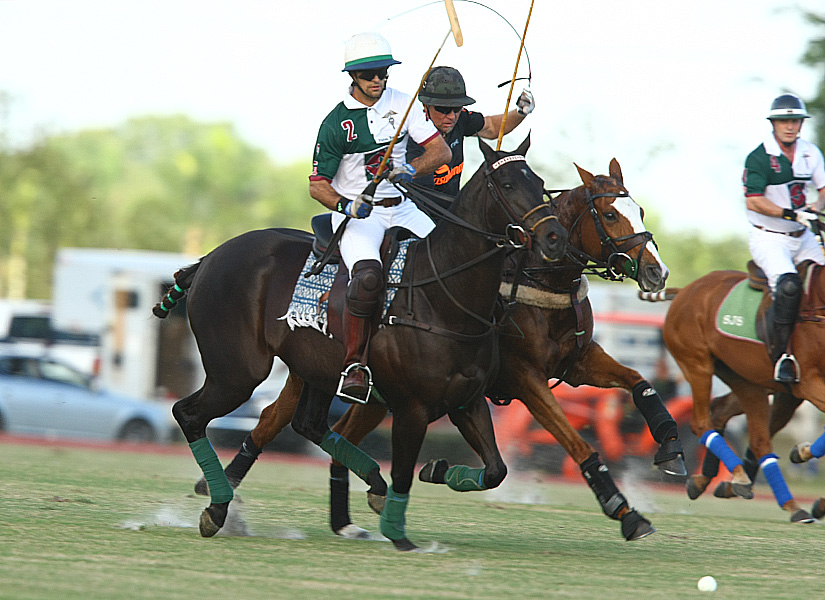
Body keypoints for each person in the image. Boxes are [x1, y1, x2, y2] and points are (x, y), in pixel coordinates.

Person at [309, 32, 451, 402]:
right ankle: (355, 365)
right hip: (361, 216)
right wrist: (345, 206)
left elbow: (441, 151)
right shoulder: (336, 123)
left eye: (383, 73)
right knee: (369, 276)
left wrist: (411, 169)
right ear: (353, 77)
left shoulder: (403, 105)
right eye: (370, 74)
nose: (378, 80)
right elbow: (318, 186)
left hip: (402, 206)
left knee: (450, 257)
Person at [743, 93, 825, 383]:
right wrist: (791, 214)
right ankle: (783, 357)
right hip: (770, 238)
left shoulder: (811, 152)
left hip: (802, 235)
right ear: (773, 124)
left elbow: (823, 189)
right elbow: (753, 201)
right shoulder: (759, 157)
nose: (790, 126)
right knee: (789, 287)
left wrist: (815, 208)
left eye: (795, 121)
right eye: (784, 121)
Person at [406, 66, 535, 214]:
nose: (452, 116)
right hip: (419, 215)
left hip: (452, 214)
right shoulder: (412, 139)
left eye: (457, 108)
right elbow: (424, 200)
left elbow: (492, 127)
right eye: (443, 109)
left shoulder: (461, 119)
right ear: (425, 106)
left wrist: (520, 112)